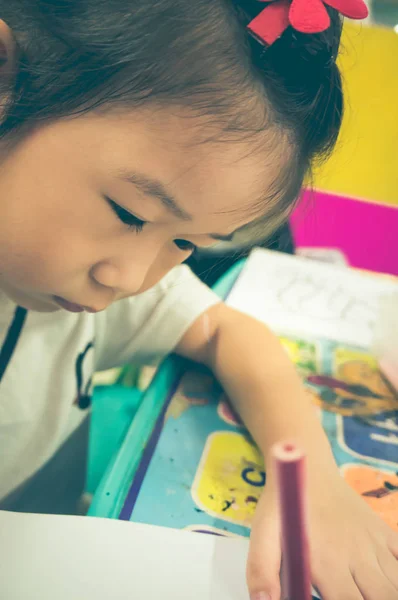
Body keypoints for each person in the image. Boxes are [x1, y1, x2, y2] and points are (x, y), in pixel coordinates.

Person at [0, 1, 396, 599]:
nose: (132, 279)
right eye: (131, 214)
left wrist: (312, 479)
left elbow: (228, 333)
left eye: (186, 242)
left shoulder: (59, 279)